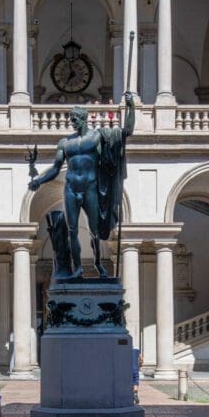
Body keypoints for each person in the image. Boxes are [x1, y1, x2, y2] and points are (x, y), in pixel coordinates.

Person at [28, 92, 135, 278]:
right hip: (70, 189)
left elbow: (127, 132)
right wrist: (39, 181)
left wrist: (130, 106)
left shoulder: (97, 136)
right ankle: (77, 269)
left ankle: (98, 265)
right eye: (71, 119)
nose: (72, 122)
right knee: (72, 231)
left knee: (94, 231)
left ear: (84, 119)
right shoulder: (65, 143)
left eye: (75, 119)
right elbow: (55, 168)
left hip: (90, 189)